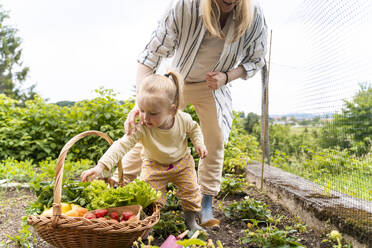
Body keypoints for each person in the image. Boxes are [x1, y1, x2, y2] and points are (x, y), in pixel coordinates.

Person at [122, 0, 268, 227]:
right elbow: (151, 54)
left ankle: (206, 201)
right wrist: (140, 106)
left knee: (215, 138)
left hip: (214, 86)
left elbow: (256, 59)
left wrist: (227, 76)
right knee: (148, 130)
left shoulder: (254, 14)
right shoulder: (185, 6)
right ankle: (122, 185)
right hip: (176, 84)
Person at [81, 71, 208, 231]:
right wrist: (100, 166)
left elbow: (195, 129)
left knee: (191, 191)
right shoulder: (142, 127)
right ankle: (151, 224)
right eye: (141, 110)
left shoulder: (183, 119)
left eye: (153, 113)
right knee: (152, 198)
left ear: (172, 110)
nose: (145, 117)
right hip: (153, 165)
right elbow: (121, 145)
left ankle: (191, 221)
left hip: (182, 163)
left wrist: (199, 143)